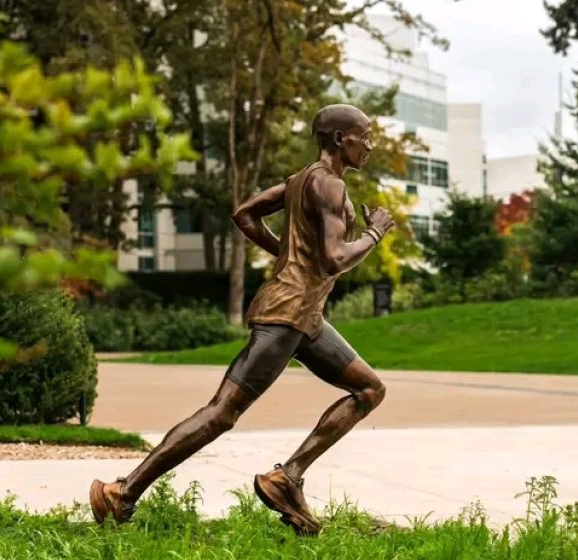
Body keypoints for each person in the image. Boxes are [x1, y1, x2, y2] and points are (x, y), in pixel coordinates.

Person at [90, 104, 395, 536]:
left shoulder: (300, 181)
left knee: (369, 389)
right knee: (221, 413)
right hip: (287, 314)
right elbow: (333, 259)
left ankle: (287, 478)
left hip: (305, 317)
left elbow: (244, 214)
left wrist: (289, 257)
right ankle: (122, 493)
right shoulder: (328, 186)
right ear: (341, 139)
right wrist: (374, 233)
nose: (370, 145)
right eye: (365, 136)